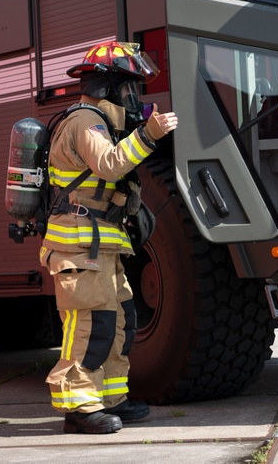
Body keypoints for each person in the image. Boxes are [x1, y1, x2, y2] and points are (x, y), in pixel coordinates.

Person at [39, 41, 178, 434]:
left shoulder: (100, 122)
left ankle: (111, 397)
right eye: (130, 88)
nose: (134, 98)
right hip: (78, 249)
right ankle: (79, 407)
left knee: (117, 322)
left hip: (99, 247)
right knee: (89, 327)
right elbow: (110, 164)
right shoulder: (86, 121)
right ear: (110, 86)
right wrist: (148, 136)